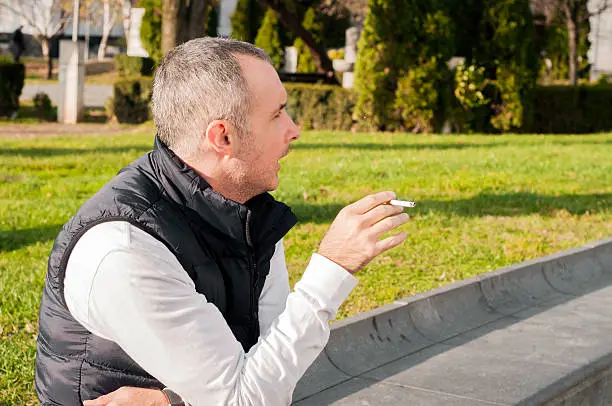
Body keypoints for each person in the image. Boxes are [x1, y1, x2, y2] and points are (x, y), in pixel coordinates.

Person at [35, 37, 409, 406]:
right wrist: (332, 268)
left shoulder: (248, 210)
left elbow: (273, 367)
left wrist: (173, 400)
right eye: (277, 114)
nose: (294, 129)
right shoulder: (125, 251)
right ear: (223, 136)